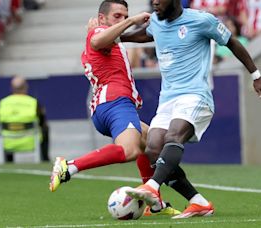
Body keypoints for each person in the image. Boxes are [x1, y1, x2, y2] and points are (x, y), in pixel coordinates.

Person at [121, 0, 261, 219]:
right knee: (153, 148)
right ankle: (198, 202)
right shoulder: (156, 21)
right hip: (168, 100)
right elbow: (146, 34)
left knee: (173, 135)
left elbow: (232, 43)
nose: (154, 2)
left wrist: (256, 76)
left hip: (195, 96)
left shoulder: (201, 20)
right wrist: (116, 37)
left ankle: (152, 186)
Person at [48, 0, 180, 216]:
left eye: (124, 15)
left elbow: (127, 37)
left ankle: (153, 203)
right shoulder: (99, 32)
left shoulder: (109, 36)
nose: (121, 19)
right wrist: (131, 20)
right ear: (102, 19)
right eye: (116, 16)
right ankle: (69, 166)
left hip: (110, 105)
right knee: (130, 150)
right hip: (114, 102)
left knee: (150, 143)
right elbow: (99, 38)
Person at [0, 75, 49, 162]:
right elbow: (42, 121)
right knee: (45, 128)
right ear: (26, 87)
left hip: (8, 143)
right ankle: (44, 159)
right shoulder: (33, 102)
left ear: (11, 88)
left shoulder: (3, 103)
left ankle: (8, 162)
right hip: (30, 141)